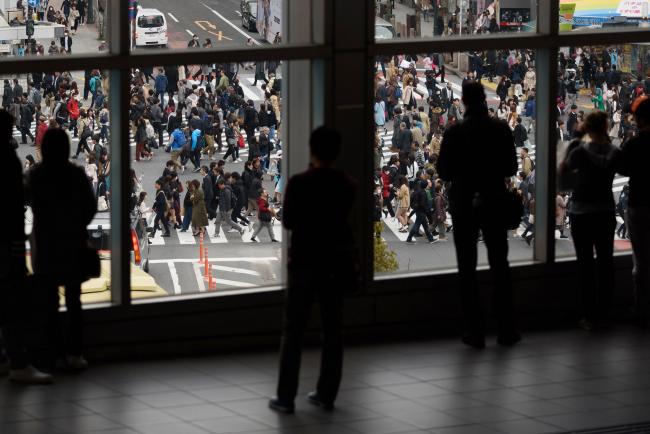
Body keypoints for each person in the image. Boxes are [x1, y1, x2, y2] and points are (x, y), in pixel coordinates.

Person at [269, 126, 357, 414]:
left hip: (305, 261)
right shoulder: (347, 184)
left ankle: (285, 397)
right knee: (333, 330)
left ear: (311, 149)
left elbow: (289, 221)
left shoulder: (299, 183)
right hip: (334, 262)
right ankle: (326, 393)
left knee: (293, 331)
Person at [437, 82, 520, 348]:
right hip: (494, 199)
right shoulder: (500, 129)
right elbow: (510, 167)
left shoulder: (455, 133)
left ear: (463, 101)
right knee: (500, 264)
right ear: (484, 99)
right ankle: (506, 329)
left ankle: (475, 330)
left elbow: (444, 172)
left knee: (467, 267)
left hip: (464, 202)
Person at [28, 128, 97, 371]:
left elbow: (28, 203)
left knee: (49, 302)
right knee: (74, 300)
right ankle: (75, 353)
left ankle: (53, 353)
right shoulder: (75, 174)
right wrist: (76, 224)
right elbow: (90, 207)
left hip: (45, 244)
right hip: (72, 242)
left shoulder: (36, 175)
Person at [0, 110, 53, 384]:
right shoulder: (7, 160)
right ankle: (18, 360)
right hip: (9, 241)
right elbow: (13, 202)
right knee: (14, 301)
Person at [560, 111, 622, 331]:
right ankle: (605, 311)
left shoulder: (580, 151)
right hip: (605, 210)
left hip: (582, 211)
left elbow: (562, 176)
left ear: (587, 127)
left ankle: (588, 314)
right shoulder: (615, 152)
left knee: (585, 264)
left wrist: (576, 138)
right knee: (606, 262)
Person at [620, 96, 650, 327]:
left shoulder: (635, 143)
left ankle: (641, 308)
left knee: (640, 257)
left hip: (640, 203)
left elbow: (622, 166)